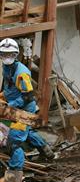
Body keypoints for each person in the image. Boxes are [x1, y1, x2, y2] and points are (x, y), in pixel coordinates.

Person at [0, 38, 54, 172]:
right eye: (4, 54)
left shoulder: (21, 72)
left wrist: (10, 105)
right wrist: (3, 95)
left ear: (16, 54)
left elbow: (28, 95)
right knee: (27, 131)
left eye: (10, 54)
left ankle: (14, 176)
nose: (7, 57)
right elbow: (9, 86)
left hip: (23, 109)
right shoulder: (6, 67)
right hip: (15, 105)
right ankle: (46, 150)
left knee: (14, 143)